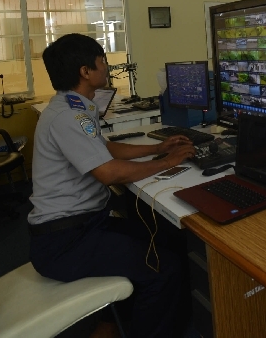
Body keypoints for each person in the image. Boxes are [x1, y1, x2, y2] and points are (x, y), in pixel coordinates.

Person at [27, 34, 196, 338]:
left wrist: (158, 149)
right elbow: (109, 172)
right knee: (164, 268)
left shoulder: (71, 106)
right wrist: (166, 164)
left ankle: (111, 324)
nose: (106, 68)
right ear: (85, 71)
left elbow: (105, 150)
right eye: (102, 62)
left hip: (83, 226)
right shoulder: (68, 116)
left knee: (167, 238)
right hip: (65, 241)